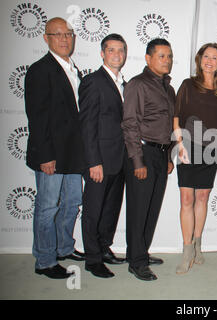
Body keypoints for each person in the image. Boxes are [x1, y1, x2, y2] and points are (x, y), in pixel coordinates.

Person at [25, 17, 85, 279]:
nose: (64, 39)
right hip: (51, 155)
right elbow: (36, 117)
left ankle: (63, 247)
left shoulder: (74, 69)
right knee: (48, 206)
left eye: (68, 34)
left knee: (73, 202)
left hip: (73, 154)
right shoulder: (40, 70)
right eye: (57, 34)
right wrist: (46, 156)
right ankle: (45, 260)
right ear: (46, 38)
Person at [121, 38, 175, 281]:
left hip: (162, 154)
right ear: (148, 58)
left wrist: (170, 155)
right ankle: (136, 262)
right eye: (161, 56)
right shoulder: (137, 84)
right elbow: (130, 124)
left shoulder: (168, 88)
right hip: (143, 153)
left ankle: (141, 251)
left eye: (169, 56)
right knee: (139, 209)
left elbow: (170, 124)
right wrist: (137, 160)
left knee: (152, 208)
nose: (167, 60)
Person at [173, 43, 217, 274]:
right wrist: (179, 145)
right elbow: (176, 117)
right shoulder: (188, 85)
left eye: (214, 57)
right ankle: (187, 250)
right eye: (206, 56)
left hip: (212, 148)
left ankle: (198, 244)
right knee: (187, 198)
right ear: (200, 59)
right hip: (188, 146)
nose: (209, 61)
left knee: (203, 198)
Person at [78, 34, 128, 278]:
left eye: (120, 50)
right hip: (99, 160)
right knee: (93, 209)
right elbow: (87, 125)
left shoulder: (123, 84)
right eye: (111, 50)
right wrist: (93, 161)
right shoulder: (93, 81)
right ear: (102, 53)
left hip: (119, 159)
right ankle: (92, 259)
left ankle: (104, 247)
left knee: (111, 208)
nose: (116, 54)